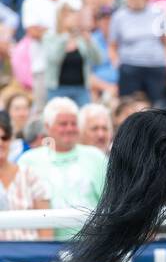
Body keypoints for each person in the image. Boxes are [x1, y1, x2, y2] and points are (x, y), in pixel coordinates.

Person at [17, 97, 107, 239]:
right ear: (48, 127)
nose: (69, 129)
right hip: (45, 249)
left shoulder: (95, 157)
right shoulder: (28, 160)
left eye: (73, 123)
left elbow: (109, 202)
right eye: (63, 124)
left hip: (90, 245)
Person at [109, 0, 166, 103]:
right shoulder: (119, 17)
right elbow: (112, 45)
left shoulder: (158, 13)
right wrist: (117, 63)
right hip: (130, 66)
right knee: (129, 107)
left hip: (155, 66)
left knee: (158, 107)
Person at [0, 110, 52, 240]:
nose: (0, 143)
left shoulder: (30, 175)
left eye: (4, 137)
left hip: (29, 255)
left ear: (11, 139)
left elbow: (46, 224)